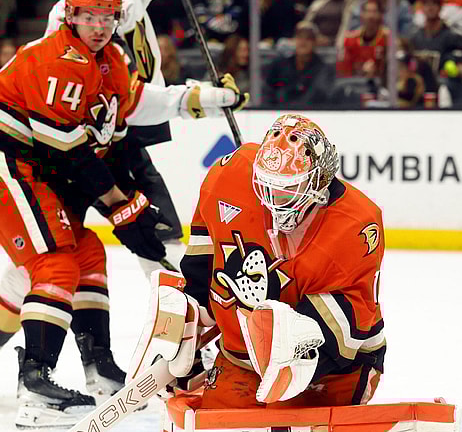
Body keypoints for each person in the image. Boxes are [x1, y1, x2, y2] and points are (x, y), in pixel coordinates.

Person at [0, 0, 247, 428]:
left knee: (86, 254)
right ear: (70, 15)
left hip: (41, 163)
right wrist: (123, 206)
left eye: (107, 17)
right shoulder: (64, 59)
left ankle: (100, 370)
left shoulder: (108, 59)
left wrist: (203, 99)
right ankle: (34, 385)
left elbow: (136, 101)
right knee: (52, 261)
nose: (101, 25)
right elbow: (70, 151)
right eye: (90, 17)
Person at [129, 113, 386, 411]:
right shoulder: (228, 177)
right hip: (242, 359)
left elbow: (346, 329)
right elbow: (202, 266)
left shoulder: (357, 224)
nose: (275, 198)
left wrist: (288, 360)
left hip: (334, 367)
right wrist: (184, 333)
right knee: (217, 429)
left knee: (286, 423)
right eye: (268, 185)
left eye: (288, 187)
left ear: (319, 181)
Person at [263, 21, 334, 108]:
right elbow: (268, 92)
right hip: (280, 114)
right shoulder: (279, 65)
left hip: (311, 115)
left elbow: (321, 96)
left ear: (315, 42)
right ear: (294, 40)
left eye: (308, 38)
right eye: (300, 37)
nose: (303, 42)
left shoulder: (323, 69)